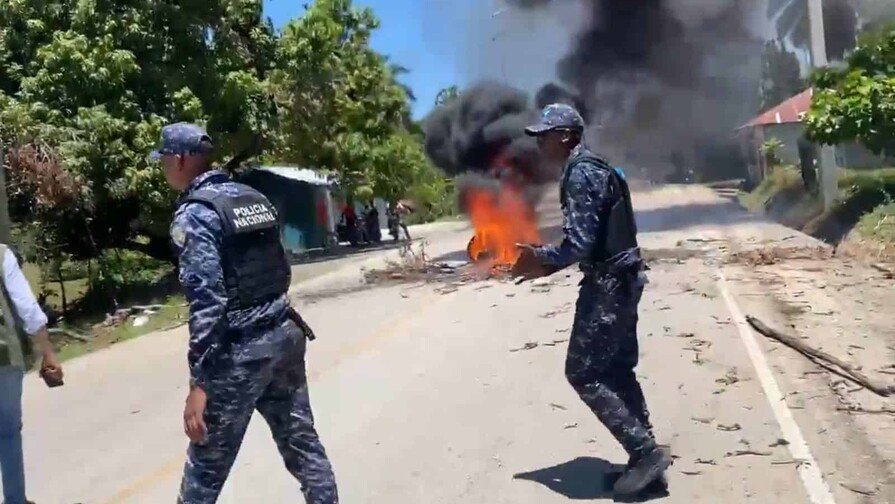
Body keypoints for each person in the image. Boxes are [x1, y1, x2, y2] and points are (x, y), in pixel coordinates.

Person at [151, 123, 338, 504]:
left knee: (204, 471)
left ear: (181, 160)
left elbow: (208, 302)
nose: (163, 167)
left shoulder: (195, 214)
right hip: (284, 332)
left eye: (164, 159)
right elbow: (277, 266)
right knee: (302, 444)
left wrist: (200, 383)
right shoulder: (252, 197)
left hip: (239, 351)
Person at [513, 104, 671, 497]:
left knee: (583, 373)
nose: (540, 143)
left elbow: (580, 243)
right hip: (625, 278)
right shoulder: (597, 167)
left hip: (608, 285)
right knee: (617, 369)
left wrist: (541, 259)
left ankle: (644, 452)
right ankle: (644, 459)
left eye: (546, 135)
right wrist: (545, 263)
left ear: (567, 136)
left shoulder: (581, 173)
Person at [0, 244, 63, 504]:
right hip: (4, 358)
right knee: (7, 431)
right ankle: (15, 499)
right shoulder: (1, 254)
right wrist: (48, 352)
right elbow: (27, 307)